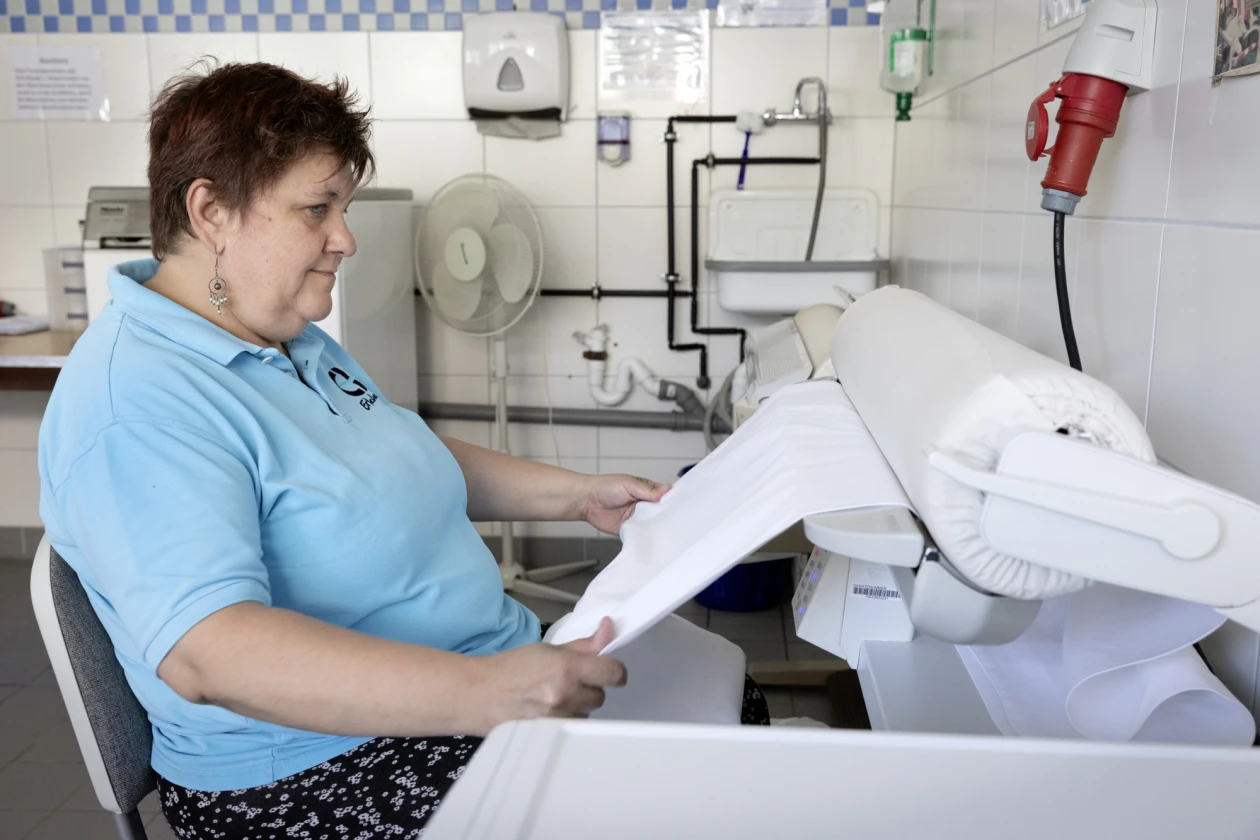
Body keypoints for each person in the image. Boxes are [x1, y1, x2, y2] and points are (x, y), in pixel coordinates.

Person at [38, 62, 770, 838]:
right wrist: (485, 693)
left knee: (731, 702)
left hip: (462, 686)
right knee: (696, 796)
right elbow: (210, 654)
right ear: (211, 210)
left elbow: (395, 453)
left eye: (343, 207)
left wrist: (576, 495)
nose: (344, 239)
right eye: (317, 209)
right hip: (315, 769)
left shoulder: (285, 335)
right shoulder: (138, 402)